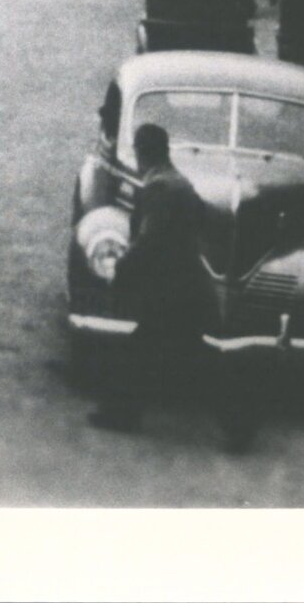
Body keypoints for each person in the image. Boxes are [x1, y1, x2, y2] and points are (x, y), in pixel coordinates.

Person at [89, 122, 218, 437]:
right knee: (192, 356)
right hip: (192, 287)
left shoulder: (158, 187)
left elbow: (149, 241)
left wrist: (123, 268)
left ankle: (122, 415)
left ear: (142, 153)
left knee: (138, 352)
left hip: (173, 292)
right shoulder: (181, 182)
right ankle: (239, 419)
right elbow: (203, 221)